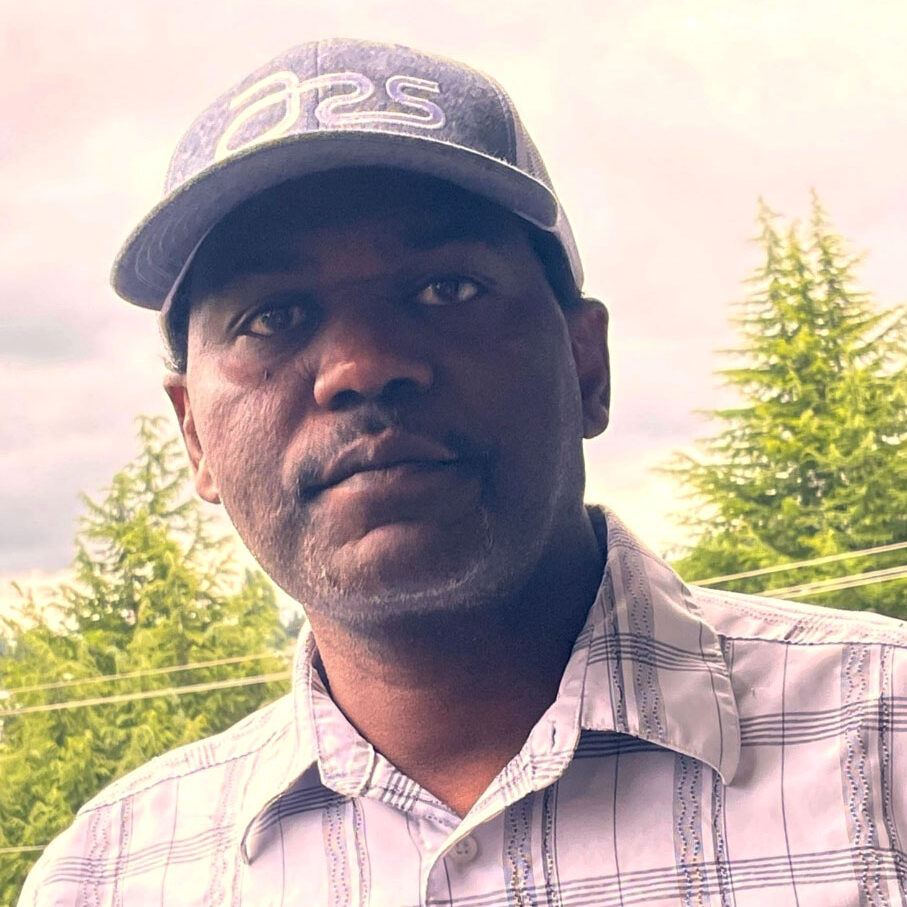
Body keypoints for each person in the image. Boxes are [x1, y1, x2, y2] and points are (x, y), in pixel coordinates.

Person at [20, 38, 907, 907]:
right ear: (194, 436)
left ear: (586, 364)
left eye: (446, 289)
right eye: (271, 317)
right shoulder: (106, 878)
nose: (362, 366)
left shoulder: (885, 743)